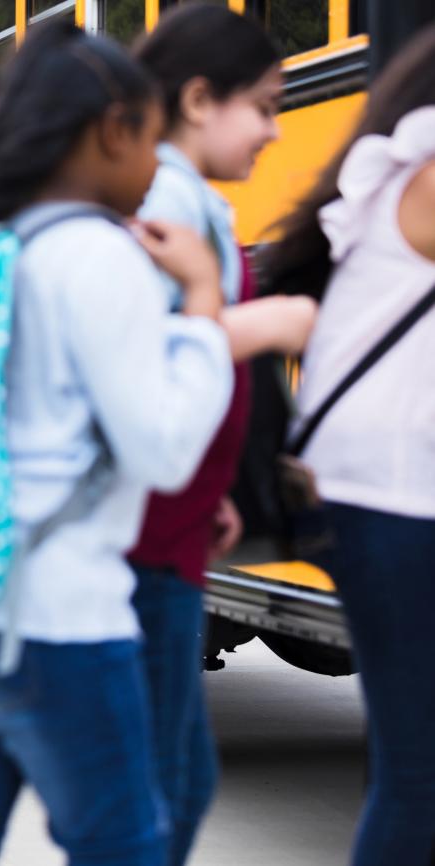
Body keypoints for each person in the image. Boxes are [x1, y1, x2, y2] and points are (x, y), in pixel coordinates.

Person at [0, 22, 233, 866]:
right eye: (151, 140)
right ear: (112, 130)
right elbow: (160, 450)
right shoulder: (93, 252)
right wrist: (202, 303)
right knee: (124, 844)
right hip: (54, 611)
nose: (157, 169)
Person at [127, 7, 316, 862]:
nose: (277, 131)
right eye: (265, 107)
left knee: (171, 775)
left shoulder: (186, 194)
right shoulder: (166, 199)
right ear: (200, 98)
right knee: (163, 782)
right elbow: (148, 352)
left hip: (179, 514)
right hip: (145, 528)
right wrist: (270, 322)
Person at [263, 26, 435, 866]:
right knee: (419, 775)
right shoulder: (428, 169)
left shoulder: (395, 165)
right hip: (398, 504)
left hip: (379, 496)